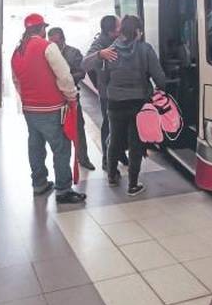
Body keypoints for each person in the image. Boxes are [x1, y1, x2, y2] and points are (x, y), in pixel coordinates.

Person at [11, 13, 87, 204]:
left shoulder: (17, 51)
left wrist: (26, 99)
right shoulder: (48, 47)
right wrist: (71, 96)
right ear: (42, 29)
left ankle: (39, 184)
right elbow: (64, 76)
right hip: (51, 108)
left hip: (29, 109)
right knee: (61, 148)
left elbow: (16, 81)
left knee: (35, 146)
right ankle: (63, 190)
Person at [103, 15, 166, 196]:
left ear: (122, 30)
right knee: (136, 143)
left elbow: (105, 76)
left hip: (115, 103)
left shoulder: (111, 50)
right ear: (138, 31)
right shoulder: (145, 49)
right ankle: (132, 185)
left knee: (115, 139)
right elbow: (158, 76)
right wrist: (161, 90)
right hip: (138, 103)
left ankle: (112, 176)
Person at [81, 15, 129, 170]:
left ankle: (120, 152)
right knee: (109, 126)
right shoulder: (99, 43)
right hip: (108, 95)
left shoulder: (120, 39)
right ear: (111, 32)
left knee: (122, 125)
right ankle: (107, 159)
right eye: (119, 26)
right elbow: (85, 64)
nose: (121, 28)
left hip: (122, 92)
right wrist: (100, 54)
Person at [47, 27, 95, 170]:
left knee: (78, 128)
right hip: (54, 99)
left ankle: (83, 158)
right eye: (51, 42)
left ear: (63, 39)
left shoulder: (74, 53)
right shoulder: (47, 53)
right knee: (58, 132)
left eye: (56, 42)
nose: (54, 45)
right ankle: (63, 163)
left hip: (71, 97)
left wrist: (65, 80)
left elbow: (81, 72)